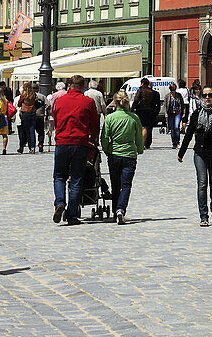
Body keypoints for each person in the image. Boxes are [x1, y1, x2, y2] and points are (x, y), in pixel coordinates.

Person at [178, 83, 212, 226]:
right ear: (201, 97)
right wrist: (181, 152)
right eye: (205, 95)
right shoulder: (197, 113)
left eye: (210, 95)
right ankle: (203, 216)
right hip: (200, 153)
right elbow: (189, 133)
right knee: (202, 184)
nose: (207, 98)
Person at [52, 74, 101, 226]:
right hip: (80, 143)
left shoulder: (60, 101)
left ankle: (60, 202)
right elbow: (95, 123)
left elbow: (56, 119)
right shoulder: (88, 102)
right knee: (76, 179)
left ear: (69, 86)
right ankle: (72, 214)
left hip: (62, 142)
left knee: (59, 176)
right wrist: (94, 139)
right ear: (83, 86)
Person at [100, 90, 144, 224]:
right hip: (129, 154)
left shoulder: (110, 118)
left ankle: (115, 212)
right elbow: (139, 137)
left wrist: (107, 150)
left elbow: (105, 138)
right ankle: (120, 209)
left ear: (115, 102)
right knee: (126, 185)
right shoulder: (133, 118)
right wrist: (139, 149)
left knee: (115, 184)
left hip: (114, 154)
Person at [132, 78, 160, 150]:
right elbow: (157, 104)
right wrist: (156, 112)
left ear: (142, 83)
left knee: (142, 127)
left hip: (141, 111)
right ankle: (147, 143)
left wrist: (132, 109)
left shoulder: (140, 90)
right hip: (150, 111)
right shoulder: (153, 92)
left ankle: (142, 143)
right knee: (148, 127)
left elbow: (136, 100)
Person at [16, 82, 39, 154]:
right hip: (32, 112)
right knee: (32, 131)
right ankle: (32, 148)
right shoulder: (33, 94)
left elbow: (19, 103)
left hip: (25, 113)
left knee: (23, 131)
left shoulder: (23, 94)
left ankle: (21, 147)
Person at [46, 81, 67, 147]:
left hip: (57, 112)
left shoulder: (55, 95)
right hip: (65, 112)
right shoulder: (67, 93)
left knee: (52, 127)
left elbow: (52, 104)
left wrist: (51, 112)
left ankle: (51, 138)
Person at [166, 83, 185, 149]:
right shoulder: (167, 96)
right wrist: (165, 113)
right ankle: (174, 143)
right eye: (171, 90)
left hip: (178, 113)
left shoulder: (179, 95)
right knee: (172, 128)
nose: (173, 91)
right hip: (170, 113)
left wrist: (183, 112)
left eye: (174, 89)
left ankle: (178, 141)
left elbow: (182, 104)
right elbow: (165, 106)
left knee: (176, 127)